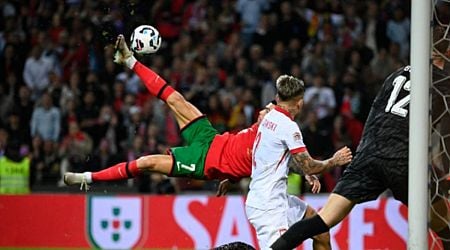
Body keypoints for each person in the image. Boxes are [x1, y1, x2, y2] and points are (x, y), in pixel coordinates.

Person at [64, 35, 332, 248]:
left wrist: (305, 170)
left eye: (272, 108)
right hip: (211, 138)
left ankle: (90, 177)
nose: (267, 110)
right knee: (175, 99)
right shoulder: (269, 123)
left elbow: (285, 161)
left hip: (205, 162)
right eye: (268, 107)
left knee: (148, 162)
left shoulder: (273, 141)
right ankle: (129, 60)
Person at [270, 28, 450, 250]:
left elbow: (376, 113)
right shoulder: (445, 84)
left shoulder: (397, 74)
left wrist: (367, 150)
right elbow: (445, 137)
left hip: (368, 155)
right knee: (444, 227)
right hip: (403, 160)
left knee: (321, 221)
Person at [245, 75, 353, 250]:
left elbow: (285, 159)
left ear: (278, 98)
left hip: (274, 199)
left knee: (320, 230)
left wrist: (306, 172)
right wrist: (334, 161)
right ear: (300, 103)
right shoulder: (287, 126)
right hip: (269, 208)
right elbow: (308, 164)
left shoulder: (269, 117)